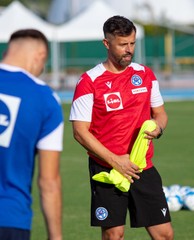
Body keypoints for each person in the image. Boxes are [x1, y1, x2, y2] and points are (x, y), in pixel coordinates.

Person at [69, 16, 174, 240]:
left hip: (142, 167)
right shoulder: (89, 81)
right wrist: (116, 160)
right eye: (123, 44)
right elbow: (79, 131)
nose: (129, 50)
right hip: (107, 169)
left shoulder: (145, 75)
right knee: (114, 235)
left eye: (132, 43)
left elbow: (160, 114)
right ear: (107, 44)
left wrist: (159, 128)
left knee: (164, 234)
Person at [0, 29, 64, 240]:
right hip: (9, 218)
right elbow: (49, 182)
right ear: (41, 56)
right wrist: (55, 237)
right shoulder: (45, 99)